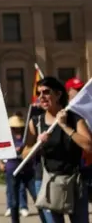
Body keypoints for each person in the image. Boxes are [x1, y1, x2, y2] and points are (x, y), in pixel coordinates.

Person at [23, 76, 92, 223]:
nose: (41, 97)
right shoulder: (36, 122)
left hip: (74, 182)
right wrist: (37, 144)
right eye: (39, 93)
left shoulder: (74, 119)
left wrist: (64, 126)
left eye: (46, 92)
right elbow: (24, 155)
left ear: (58, 94)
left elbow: (89, 145)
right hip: (46, 182)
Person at [0, 115, 45, 223]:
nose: (17, 129)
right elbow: (1, 150)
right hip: (13, 170)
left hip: (28, 170)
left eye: (18, 127)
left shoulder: (27, 135)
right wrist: (1, 162)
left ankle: (45, 220)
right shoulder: (7, 137)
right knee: (14, 200)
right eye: (14, 127)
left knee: (38, 198)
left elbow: (32, 147)